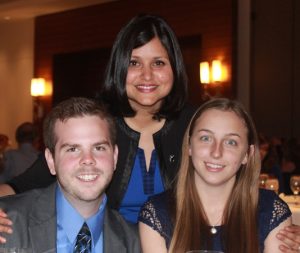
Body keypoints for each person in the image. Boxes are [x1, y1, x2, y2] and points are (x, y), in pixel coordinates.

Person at [0, 14, 299, 250]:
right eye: (134, 63)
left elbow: (232, 187)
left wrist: (278, 226)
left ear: (175, 69)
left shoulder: (194, 125)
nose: (147, 76)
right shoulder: (97, 126)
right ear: (119, 67)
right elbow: (21, 185)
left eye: (158, 63)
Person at [138, 98, 292, 253]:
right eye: (206, 138)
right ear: (189, 145)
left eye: (230, 142)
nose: (216, 152)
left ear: (247, 154)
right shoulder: (158, 214)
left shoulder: (271, 212)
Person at [0, 97, 140, 252]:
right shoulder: (7, 223)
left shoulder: (134, 243)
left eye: (99, 148)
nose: (88, 160)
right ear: (51, 161)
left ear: (114, 157)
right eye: (73, 149)